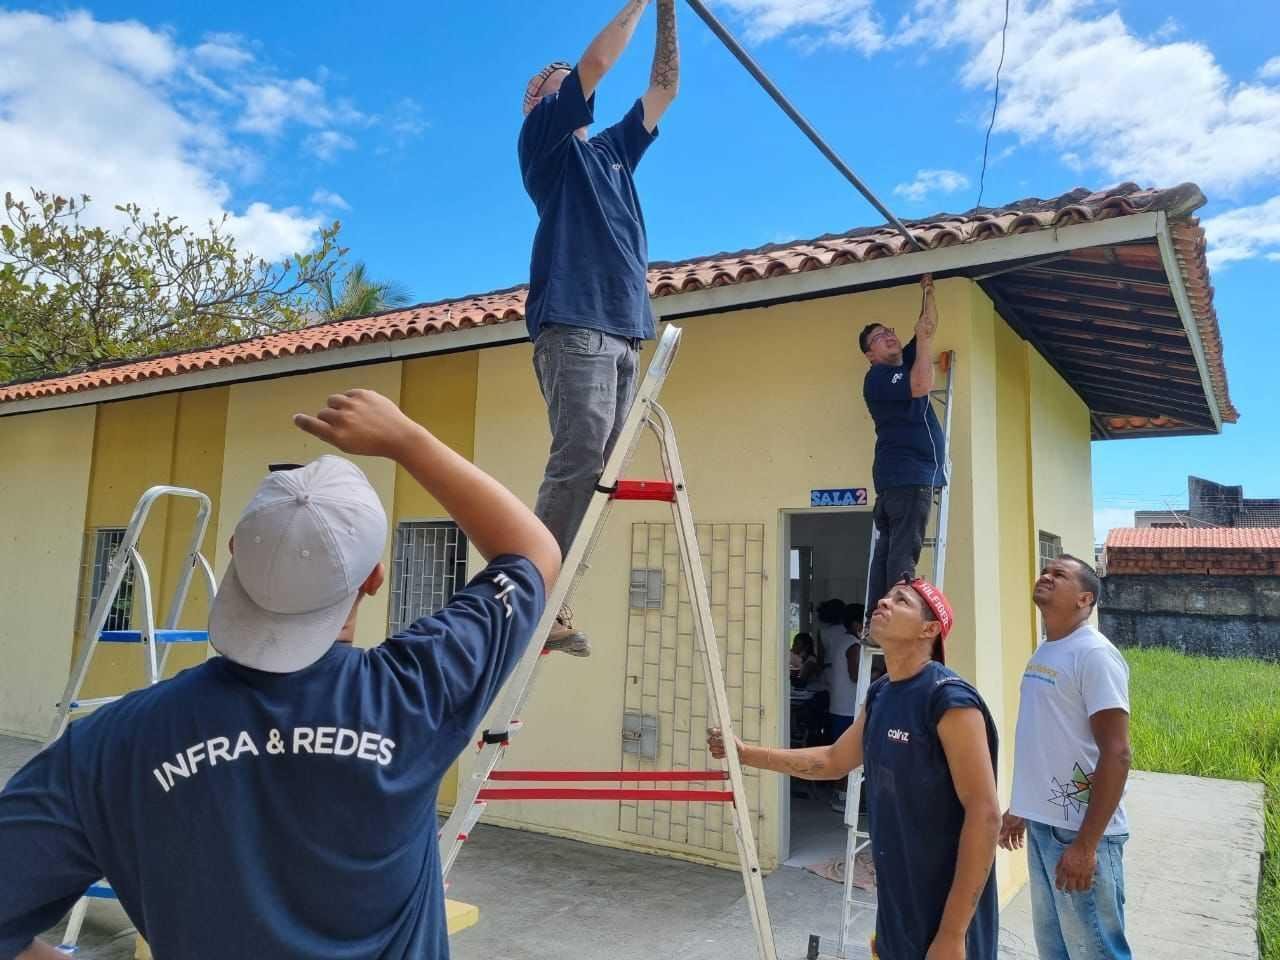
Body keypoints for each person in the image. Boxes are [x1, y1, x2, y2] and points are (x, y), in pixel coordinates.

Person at [0, 389, 560, 960]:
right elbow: (532, 551)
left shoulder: (110, 745)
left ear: (234, 551)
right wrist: (406, 441)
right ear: (374, 578)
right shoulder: (415, 692)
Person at [711, 577, 1000, 960]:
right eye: (886, 596)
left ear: (929, 629)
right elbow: (831, 762)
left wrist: (952, 934)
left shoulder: (947, 699)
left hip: (947, 908)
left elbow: (985, 815)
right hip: (898, 902)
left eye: (901, 601)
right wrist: (745, 754)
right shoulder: (881, 694)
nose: (883, 602)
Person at [518, 0, 679, 657]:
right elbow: (597, 62)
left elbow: (664, 87)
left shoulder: (614, 151)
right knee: (580, 449)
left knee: (600, 473)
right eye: (548, 76)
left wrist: (668, 13)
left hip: (624, 328)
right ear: (537, 101)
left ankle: (556, 601)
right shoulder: (545, 143)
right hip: (575, 320)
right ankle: (531, 593)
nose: (560, 75)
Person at [999, 556, 1132, 960]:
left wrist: (1086, 846)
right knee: (1056, 949)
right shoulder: (1049, 650)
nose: (1046, 576)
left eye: (1059, 575)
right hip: (1045, 825)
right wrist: (1022, 806)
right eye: (1045, 571)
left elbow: (1117, 752)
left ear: (1084, 598)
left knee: (1095, 950)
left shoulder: (1093, 655)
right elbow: (1047, 738)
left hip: (1080, 832)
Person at [860, 275, 946, 625]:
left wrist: (927, 292)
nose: (890, 335)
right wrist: (923, 344)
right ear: (870, 354)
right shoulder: (880, 377)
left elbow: (928, 325)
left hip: (899, 476)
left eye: (890, 330)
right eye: (880, 337)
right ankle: (894, 618)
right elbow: (923, 383)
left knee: (887, 551)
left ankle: (874, 618)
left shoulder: (902, 362)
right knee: (902, 552)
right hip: (907, 474)